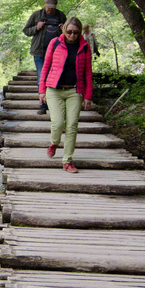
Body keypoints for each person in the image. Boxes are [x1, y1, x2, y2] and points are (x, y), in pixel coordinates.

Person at [38, 16, 93, 173]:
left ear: (80, 32)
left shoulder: (84, 47)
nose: (72, 36)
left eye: (76, 33)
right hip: (54, 90)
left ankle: (67, 160)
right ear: (64, 30)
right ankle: (54, 142)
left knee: (72, 125)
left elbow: (88, 72)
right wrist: (41, 90)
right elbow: (46, 66)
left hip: (75, 90)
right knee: (58, 123)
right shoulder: (55, 43)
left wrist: (88, 96)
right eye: (69, 32)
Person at [23, 0, 66, 112]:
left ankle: (53, 104)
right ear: (44, 3)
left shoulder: (61, 16)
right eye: (48, 6)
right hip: (39, 51)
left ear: (56, 5)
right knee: (41, 76)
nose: (50, 9)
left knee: (55, 77)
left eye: (52, 7)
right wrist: (36, 27)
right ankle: (42, 105)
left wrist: (64, 30)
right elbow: (26, 30)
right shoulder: (37, 15)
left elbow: (70, 35)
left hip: (56, 52)